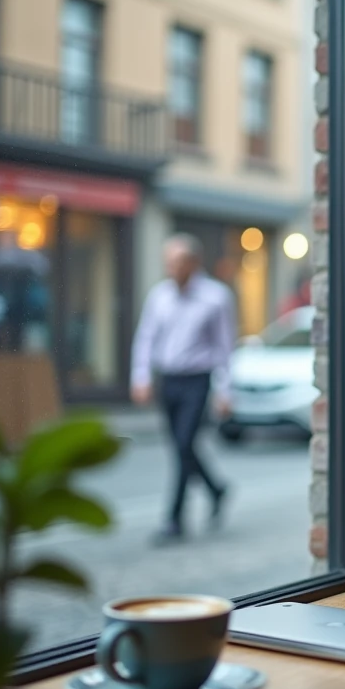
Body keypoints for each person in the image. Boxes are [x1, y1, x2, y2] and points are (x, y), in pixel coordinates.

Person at [131, 233, 235, 545]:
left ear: (194, 262)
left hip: (197, 380)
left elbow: (224, 347)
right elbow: (146, 337)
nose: (171, 269)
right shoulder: (159, 296)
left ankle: (174, 519)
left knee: (183, 445)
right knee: (181, 446)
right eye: (168, 263)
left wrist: (225, 391)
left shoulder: (216, 297)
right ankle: (217, 489)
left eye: (177, 262)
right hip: (169, 381)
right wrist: (141, 377)